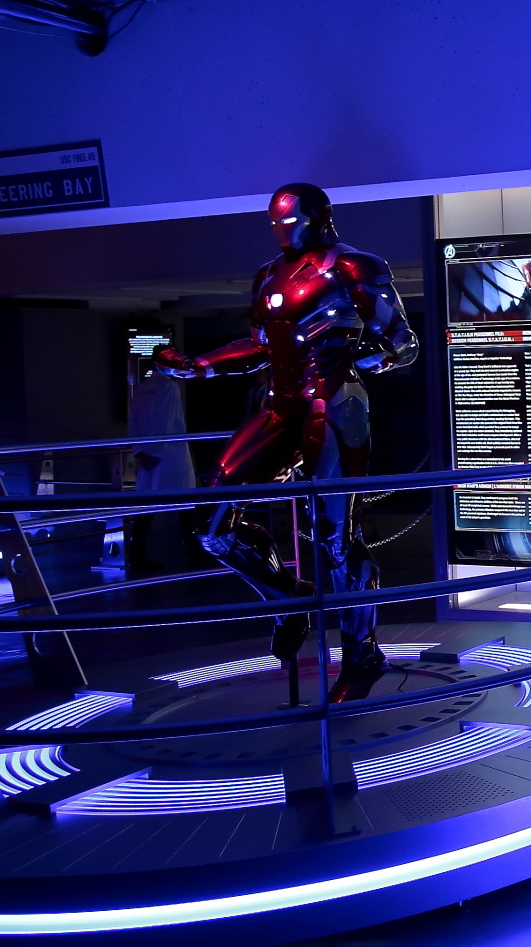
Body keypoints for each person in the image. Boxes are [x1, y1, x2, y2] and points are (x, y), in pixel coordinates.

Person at [155, 183, 420, 704]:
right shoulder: (267, 275)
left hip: (334, 403)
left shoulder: (353, 266)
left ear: (319, 217)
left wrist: (362, 357)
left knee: (336, 537)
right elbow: (258, 347)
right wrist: (198, 365)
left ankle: (362, 654)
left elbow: (402, 342)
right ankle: (286, 597)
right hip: (280, 407)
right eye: (276, 222)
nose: (282, 230)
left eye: (291, 220)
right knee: (211, 524)